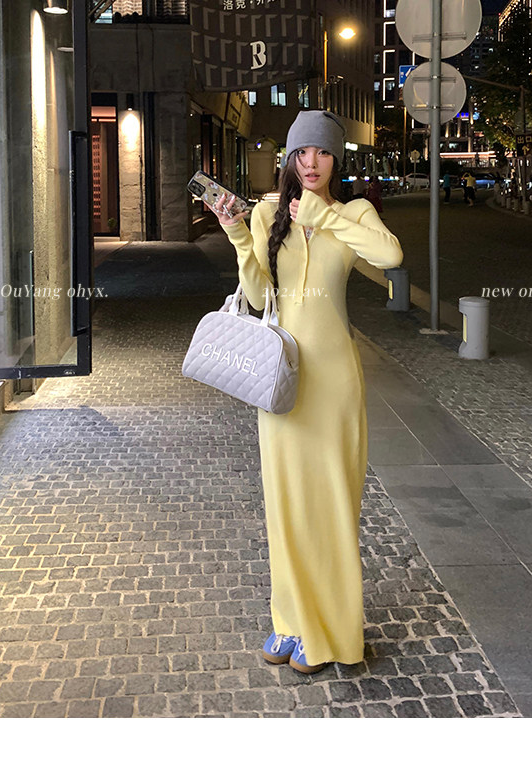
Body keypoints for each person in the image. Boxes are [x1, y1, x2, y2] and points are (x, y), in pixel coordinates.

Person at [212, 110, 403, 675]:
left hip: (336, 383)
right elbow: (256, 295)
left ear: (336, 158)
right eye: (301, 152)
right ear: (289, 159)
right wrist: (238, 235)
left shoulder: (354, 213)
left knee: (334, 506)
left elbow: (390, 257)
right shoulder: (268, 213)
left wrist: (323, 215)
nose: (311, 162)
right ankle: (291, 620)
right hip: (282, 380)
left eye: (321, 152)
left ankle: (335, 632)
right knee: (286, 504)